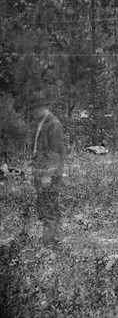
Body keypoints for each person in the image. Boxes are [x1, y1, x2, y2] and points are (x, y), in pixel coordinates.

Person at [27, 92, 66, 246]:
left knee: (50, 207)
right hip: (41, 173)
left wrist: (48, 176)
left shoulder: (53, 124)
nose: (33, 113)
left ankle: (51, 240)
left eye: (34, 109)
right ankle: (52, 238)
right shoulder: (41, 123)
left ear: (42, 108)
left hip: (49, 174)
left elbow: (56, 153)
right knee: (45, 207)